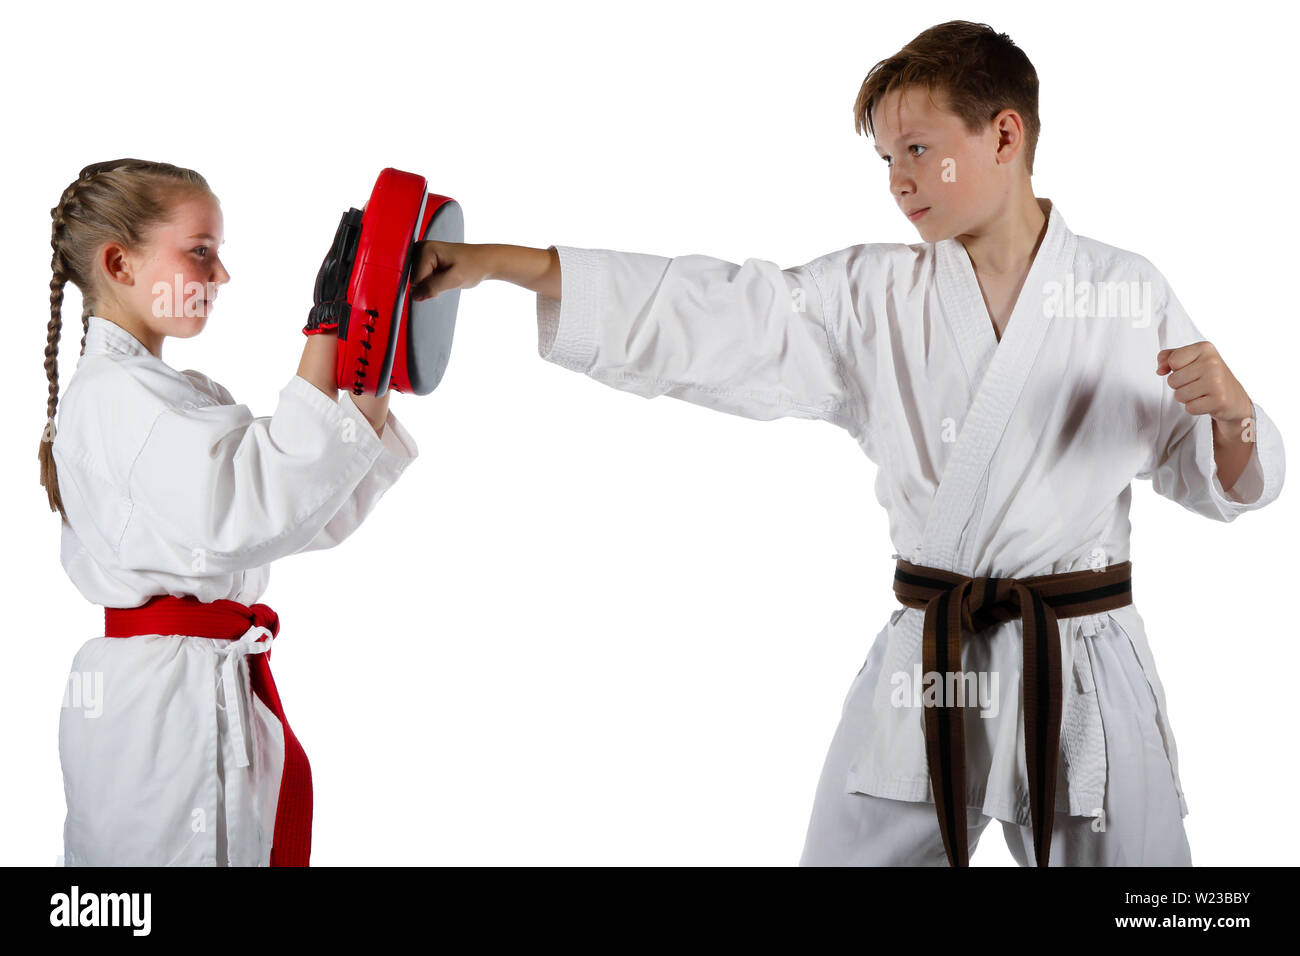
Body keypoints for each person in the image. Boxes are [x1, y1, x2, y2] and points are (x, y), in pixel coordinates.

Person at [402, 21, 1284, 865]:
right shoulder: (870, 295)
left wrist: (1234, 413)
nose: (899, 181)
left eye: (916, 149)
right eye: (885, 161)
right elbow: (711, 309)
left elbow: (1221, 482)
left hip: (1083, 660)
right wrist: (505, 263)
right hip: (933, 656)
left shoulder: (1124, 290)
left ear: (1005, 134)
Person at [41, 158, 418, 866]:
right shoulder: (117, 397)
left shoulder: (176, 391)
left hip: (184, 684)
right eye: (200, 252)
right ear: (120, 263)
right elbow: (254, 503)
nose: (220, 277)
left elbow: (303, 512)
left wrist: (374, 347)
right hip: (164, 709)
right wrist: (328, 331)